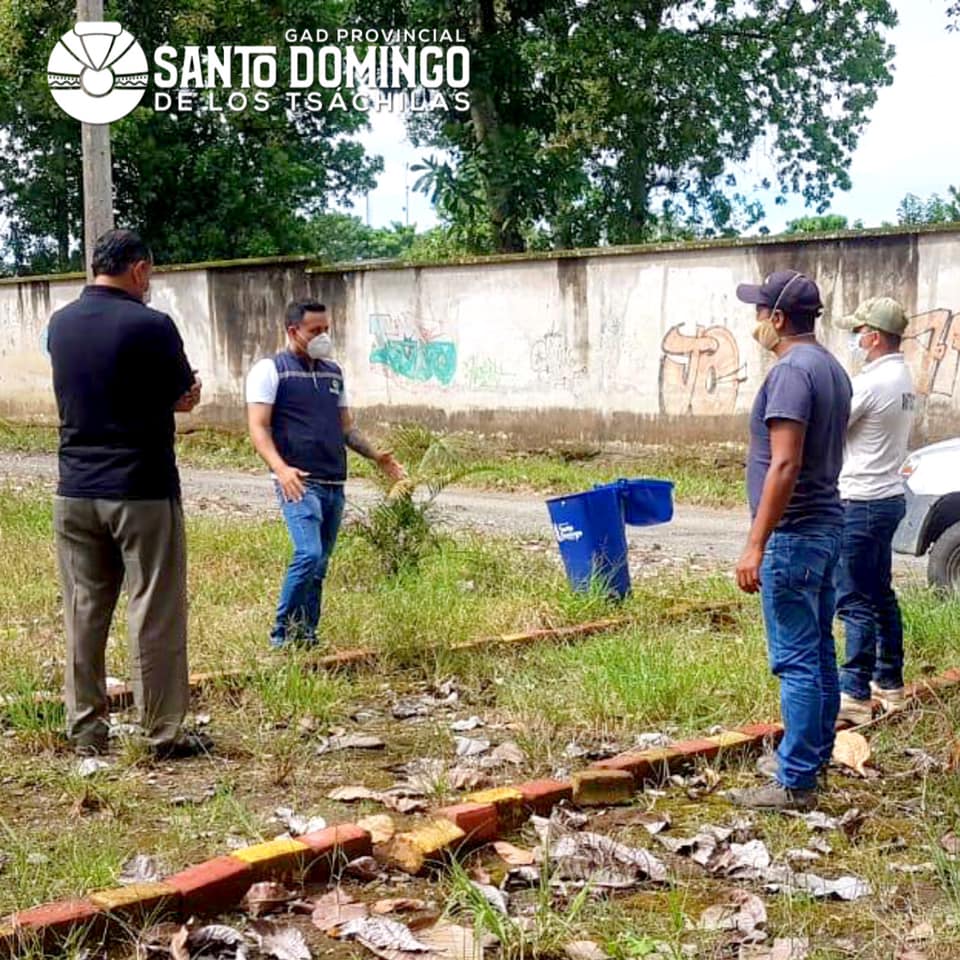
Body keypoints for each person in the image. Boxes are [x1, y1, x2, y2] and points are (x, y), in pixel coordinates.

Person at [47, 228, 209, 759]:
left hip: (74, 489)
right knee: (154, 609)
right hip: (141, 488)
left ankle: (85, 731)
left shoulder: (60, 324)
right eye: (150, 274)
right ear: (139, 269)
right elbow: (181, 394)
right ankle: (162, 732)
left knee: (83, 611)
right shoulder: (151, 325)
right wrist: (185, 397)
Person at [728, 270, 852, 811]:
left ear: (777, 318)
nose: (756, 320)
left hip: (794, 533)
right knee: (819, 650)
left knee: (796, 659)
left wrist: (755, 543)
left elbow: (785, 463)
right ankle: (810, 756)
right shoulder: (830, 368)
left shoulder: (791, 373)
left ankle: (795, 782)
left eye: (759, 311)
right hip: (824, 527)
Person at [246, 301, 406, 649]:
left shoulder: (333, 373)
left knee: (319, 565)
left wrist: (377, 456)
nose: (323, 337)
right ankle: (281, 636)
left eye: (326, 330)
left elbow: (345, 427)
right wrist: (281, 469)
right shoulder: (271, 370)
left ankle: (307, 636)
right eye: (314, 331)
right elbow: (258, 428)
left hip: (334, 480)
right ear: (293, 331)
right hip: (299, 481)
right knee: (308, 554)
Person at [833, 297, 915, 725]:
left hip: (861, 500)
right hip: (888, 497)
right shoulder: (902, 378)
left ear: (875, 337)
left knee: (854, 599)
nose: (855, 338)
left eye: (859, 331)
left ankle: (854, 694)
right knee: (880, 593)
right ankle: (889, 682)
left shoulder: (872, 383)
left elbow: (831, 427)